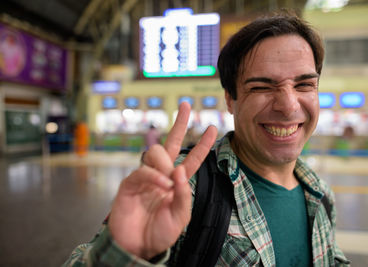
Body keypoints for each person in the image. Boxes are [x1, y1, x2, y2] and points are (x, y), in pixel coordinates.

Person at [63, 11, 349, 266]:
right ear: (231, 100)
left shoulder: (320, 194)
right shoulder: (184, 186)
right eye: (262, 86)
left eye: (304, 84)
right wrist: (126, 252)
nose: (288, 106)